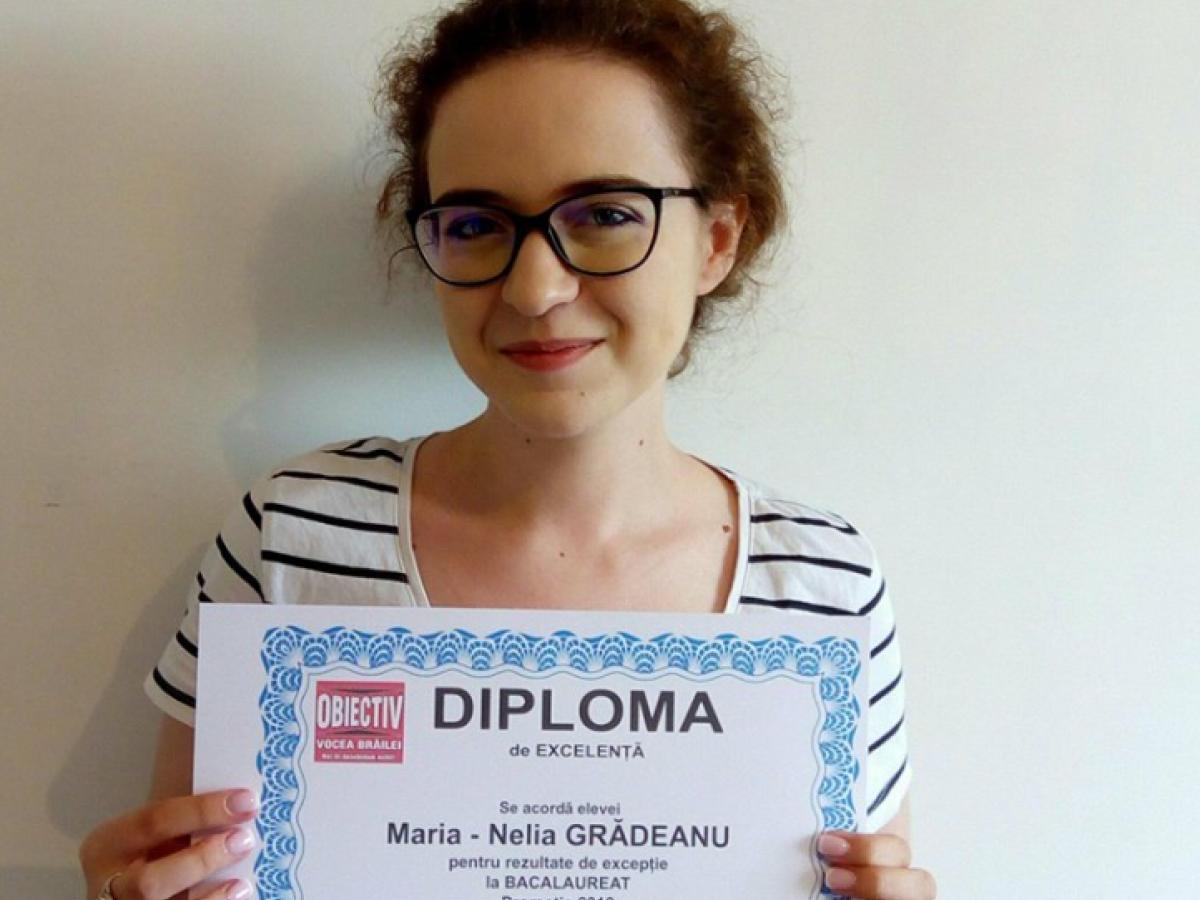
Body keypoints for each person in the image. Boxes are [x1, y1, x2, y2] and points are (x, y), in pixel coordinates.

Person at [78, 1, 936, 898]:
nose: (534, 289)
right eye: (476, 224)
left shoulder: (824, 585)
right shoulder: (294, 535)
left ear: (717, 240)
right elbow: (192, 864)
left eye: (606, 212)